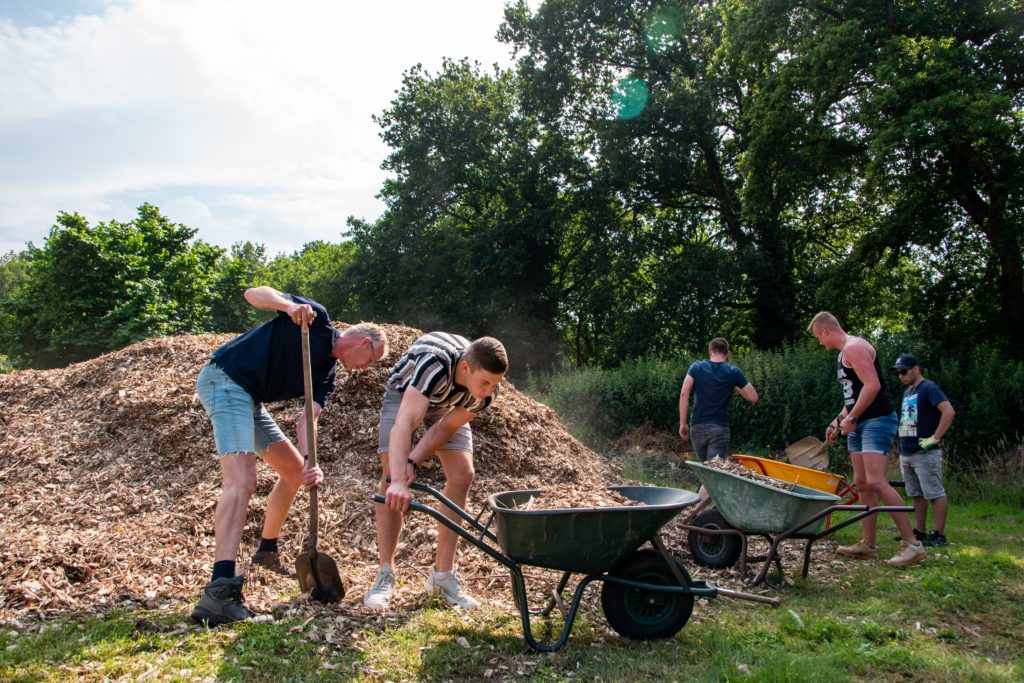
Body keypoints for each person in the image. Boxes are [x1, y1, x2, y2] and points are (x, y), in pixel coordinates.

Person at [192, 286, 388, 625]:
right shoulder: (316, 321)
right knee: (242, 481)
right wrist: (287, 307)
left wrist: (312, 461)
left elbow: (307, 419)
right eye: (371, 360)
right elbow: (253, 293)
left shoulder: (327, 377)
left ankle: (266, 550)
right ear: (363, 342)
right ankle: (219, 593)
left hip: (250, 399)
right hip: (225, 380)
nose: (365, 368)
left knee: (296, 473)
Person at [363, 332, 508, 611]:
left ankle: (442, 575)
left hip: (449, 401)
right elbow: (405, 422)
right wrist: (399, 480)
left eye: (495, 383)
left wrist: (413, 462)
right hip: (408, 391)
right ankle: (385, 574)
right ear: (466, 368)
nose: (490, 390)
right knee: (390, 475)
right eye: (485, 382)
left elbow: (445, 426)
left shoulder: (484, 393)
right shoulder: (434, 364)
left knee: (462, 475)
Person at [808, 311, 925, 567]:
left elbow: (873, 386)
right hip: (859, 422)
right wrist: (838, 421)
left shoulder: (855, 347)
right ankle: (868, 545)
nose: (819, 342)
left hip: (877, 420)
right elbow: (853, 397)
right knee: (861, 483)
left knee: (877, 481)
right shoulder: (842, 355)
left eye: (818, 336)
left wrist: (851, 419)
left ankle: (913, 544)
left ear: (825, 331)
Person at [679, 338, 759, 500]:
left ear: (710, 351)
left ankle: (704, 512)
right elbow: (753, 397)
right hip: (718, 430)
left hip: (697, 429)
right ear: (727, 353)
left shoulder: (696, 367)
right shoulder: (733, 372)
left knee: (709, 475)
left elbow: (684, 394)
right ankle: (695, 514)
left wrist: (682, 423)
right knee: (713, 477)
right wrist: (735, 386)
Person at [893, 353, 955, 547]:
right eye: (898, 373)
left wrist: (935, 438)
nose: (900, 376)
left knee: (934, 493)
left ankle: (938, 534)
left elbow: (948, 411)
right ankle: (919, 531)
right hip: (907, 452)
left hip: (924, 453)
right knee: (915, 494)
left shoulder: (928, 388)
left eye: (904, 371)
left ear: (916, 369)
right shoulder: (908, 392)